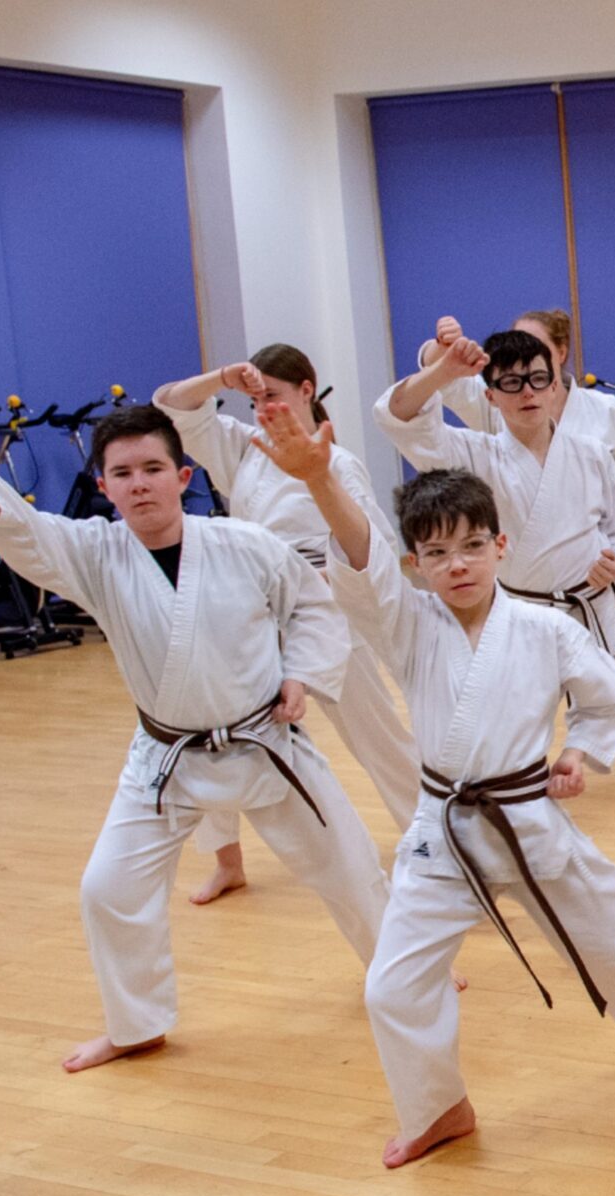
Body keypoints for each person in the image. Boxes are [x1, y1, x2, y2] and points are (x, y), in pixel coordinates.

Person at [249, 402, 615, 1166]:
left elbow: (604, 695)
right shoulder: (407, 622)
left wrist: (580, 753)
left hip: (531, 817)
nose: (460, 564)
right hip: (444, 831)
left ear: (501, 546)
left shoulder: (545, 628)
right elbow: (362, 565)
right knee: (392, 987)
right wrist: (318, 480)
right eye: (439, 552)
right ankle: (440, 1107)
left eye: (475, 546)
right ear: (416, 563)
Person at [0, 390, 388, 1073]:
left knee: (351, 866)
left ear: (182, 477)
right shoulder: (93, 551)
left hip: (267, 742)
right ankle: (137, 1023)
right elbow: (15, 527)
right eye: (122, 473)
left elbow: (313, 611)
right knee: (107, 889)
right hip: (167, 753)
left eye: (152, 468)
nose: (138, 483)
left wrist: (301, 676)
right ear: (103, 486)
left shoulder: (247, 545)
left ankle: (400, 976)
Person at [375, 331, 615, 884]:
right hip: (519, 621)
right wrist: (444, 371)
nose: (527, 393)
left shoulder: (589, 455)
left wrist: (614, 564)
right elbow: (401, 418)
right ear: (490, 393)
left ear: (556, 383)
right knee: (495, 746)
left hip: (595, 611)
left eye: (538, 379)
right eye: (511, 383)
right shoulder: (475, 454)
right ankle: (481, 859)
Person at [153, 348, 423, 904]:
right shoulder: (246, 450)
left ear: (306, 390)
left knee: (378, 739)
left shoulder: (336, 463)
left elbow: (372, 543)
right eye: (253, 399)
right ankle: (227, 861)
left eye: (272, 395)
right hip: (250, 613)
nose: (262, 409)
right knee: (210, 730)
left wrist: (322, 582)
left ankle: (437, 849)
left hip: (323, 612)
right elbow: (175, 406)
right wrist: (224, 378)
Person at [427, 310, 615, 774]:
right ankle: (535, 763)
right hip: (533, 570)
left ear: (559, 353)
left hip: (603, 556)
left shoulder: (600, 410)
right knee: (524, 677)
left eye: (534, 353)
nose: (524, 379)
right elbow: (442, 385)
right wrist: (439, 348)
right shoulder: (494, 406)